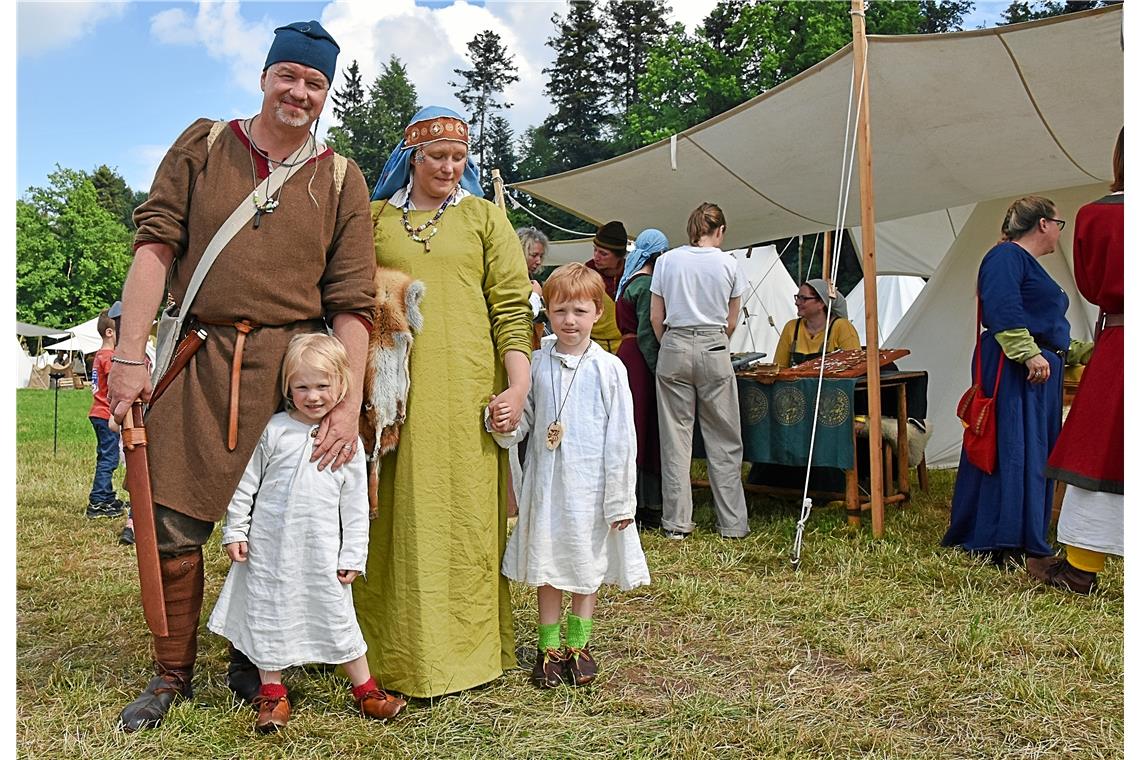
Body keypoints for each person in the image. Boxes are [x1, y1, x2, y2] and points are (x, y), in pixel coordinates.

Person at [109, 20, 377, 731]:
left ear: (325, 94)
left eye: (314, 83)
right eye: (288, 75)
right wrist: (130, 359)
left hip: (295, 380)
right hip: (198, 362)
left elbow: (353, 302)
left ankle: (255, 658)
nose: (299, 91)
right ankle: (171, 675)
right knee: (170, 523)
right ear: (264, 77)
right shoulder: (203, 145)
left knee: (280, 530)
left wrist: (346, 404)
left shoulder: (341, 178)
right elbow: (155, 247)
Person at [356, 106, 533, 698]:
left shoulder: (485, 218)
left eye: (459, 158)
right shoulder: (375, 218)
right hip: (392, 393)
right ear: (412, 157)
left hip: (464, 392)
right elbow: (350, 298)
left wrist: (517, 385)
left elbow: (510, 308)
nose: (449, 168)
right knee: (395, 516)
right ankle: (383, 649)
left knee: (462, 516)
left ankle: (467, 649)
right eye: (437, 157)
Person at [207, 335, 405, 732]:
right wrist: (236, 529)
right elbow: (246, 484)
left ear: (341, 386)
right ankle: (273, 695)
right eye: (302, 387)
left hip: (321, 551)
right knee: (269, 615)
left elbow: (355, 507)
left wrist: (353, 554)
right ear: (288, 388)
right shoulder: (275, 430)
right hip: (271, 550)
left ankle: (365, 690)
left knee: (338, 616)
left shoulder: (345, 440)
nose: (312, 396)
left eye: (322, 386)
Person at [487, 263, 650, 688]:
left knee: (584, 561)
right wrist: (504, 421)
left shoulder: (609, 369)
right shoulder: (536, 365)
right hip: (548, 486)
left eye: (579, 311)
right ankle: (548, 647)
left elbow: (622, 438)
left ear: (597, 312)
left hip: (590, 488)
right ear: (548, 313)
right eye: (560, 311)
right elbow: (526, 422)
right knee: (548, 563)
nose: (570, 321)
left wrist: (619, 499)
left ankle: (579, 643)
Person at [942, 196, 1072, 568]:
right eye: (1059, 225)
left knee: (1030, 448)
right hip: (1018, 367)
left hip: (1035, 368)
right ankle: (1003, 536)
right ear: (1044, 224)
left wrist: (1070, 351)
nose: (1059, 234)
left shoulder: (1023, 262)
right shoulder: (1006, 257)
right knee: (1012, 445)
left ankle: (1020, 530)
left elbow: (1043, 321)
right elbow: (1003, 308)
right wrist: (1027, 353)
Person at [1032, 129, 1124, 595]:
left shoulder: (1095, 217)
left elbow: (1090, 285)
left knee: (1104, 452)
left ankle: (1080, 571)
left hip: (1124, 347)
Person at [651, 202, 750, 540]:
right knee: (724, 439)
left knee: (676, 439)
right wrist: (715, 344)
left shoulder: (666, 261)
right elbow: (732, 319)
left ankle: (677, 523)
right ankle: (733, 524)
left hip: (674, 344)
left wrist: (673, 343)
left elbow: (655, 316)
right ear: (719, 231)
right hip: (714, 344)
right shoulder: (730, 263)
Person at [615, 229, 670, 530]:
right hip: (640, 359)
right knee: (644, 431)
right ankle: (644, 505)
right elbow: (650, 332)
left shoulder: (628, 281)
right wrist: (658, 368)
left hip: (626, 353)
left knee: (631, 427)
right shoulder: (647, 285)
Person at [85, 308, 127, 520]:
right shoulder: (109, 357)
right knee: (109, 459)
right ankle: (98, 500)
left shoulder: (98, 355)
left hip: (97, 412)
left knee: (105, 455)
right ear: (110, 333)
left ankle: (107, 494)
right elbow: (115, 383)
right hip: (104, 414)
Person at [772, 279, 861, 369]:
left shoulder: (841, 327)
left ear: (821, 303)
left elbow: (854, 366)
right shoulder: (791, 327)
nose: (797, 302)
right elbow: (779, 368)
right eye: (797, 297)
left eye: (803, 298)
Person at [586, 220, 629, 354]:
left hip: (626, 348)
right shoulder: (587, 273)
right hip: (595, 349)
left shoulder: (631, 273)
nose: (596, 257)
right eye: (595, 250)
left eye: (603, 253)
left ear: (619, 257)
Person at [518, 226, 551, 336]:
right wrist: (535, 296)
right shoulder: (507, 278)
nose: (538, 261)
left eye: (541, 256)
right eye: (534, 255)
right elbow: (519, 316)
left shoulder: (531, 277)